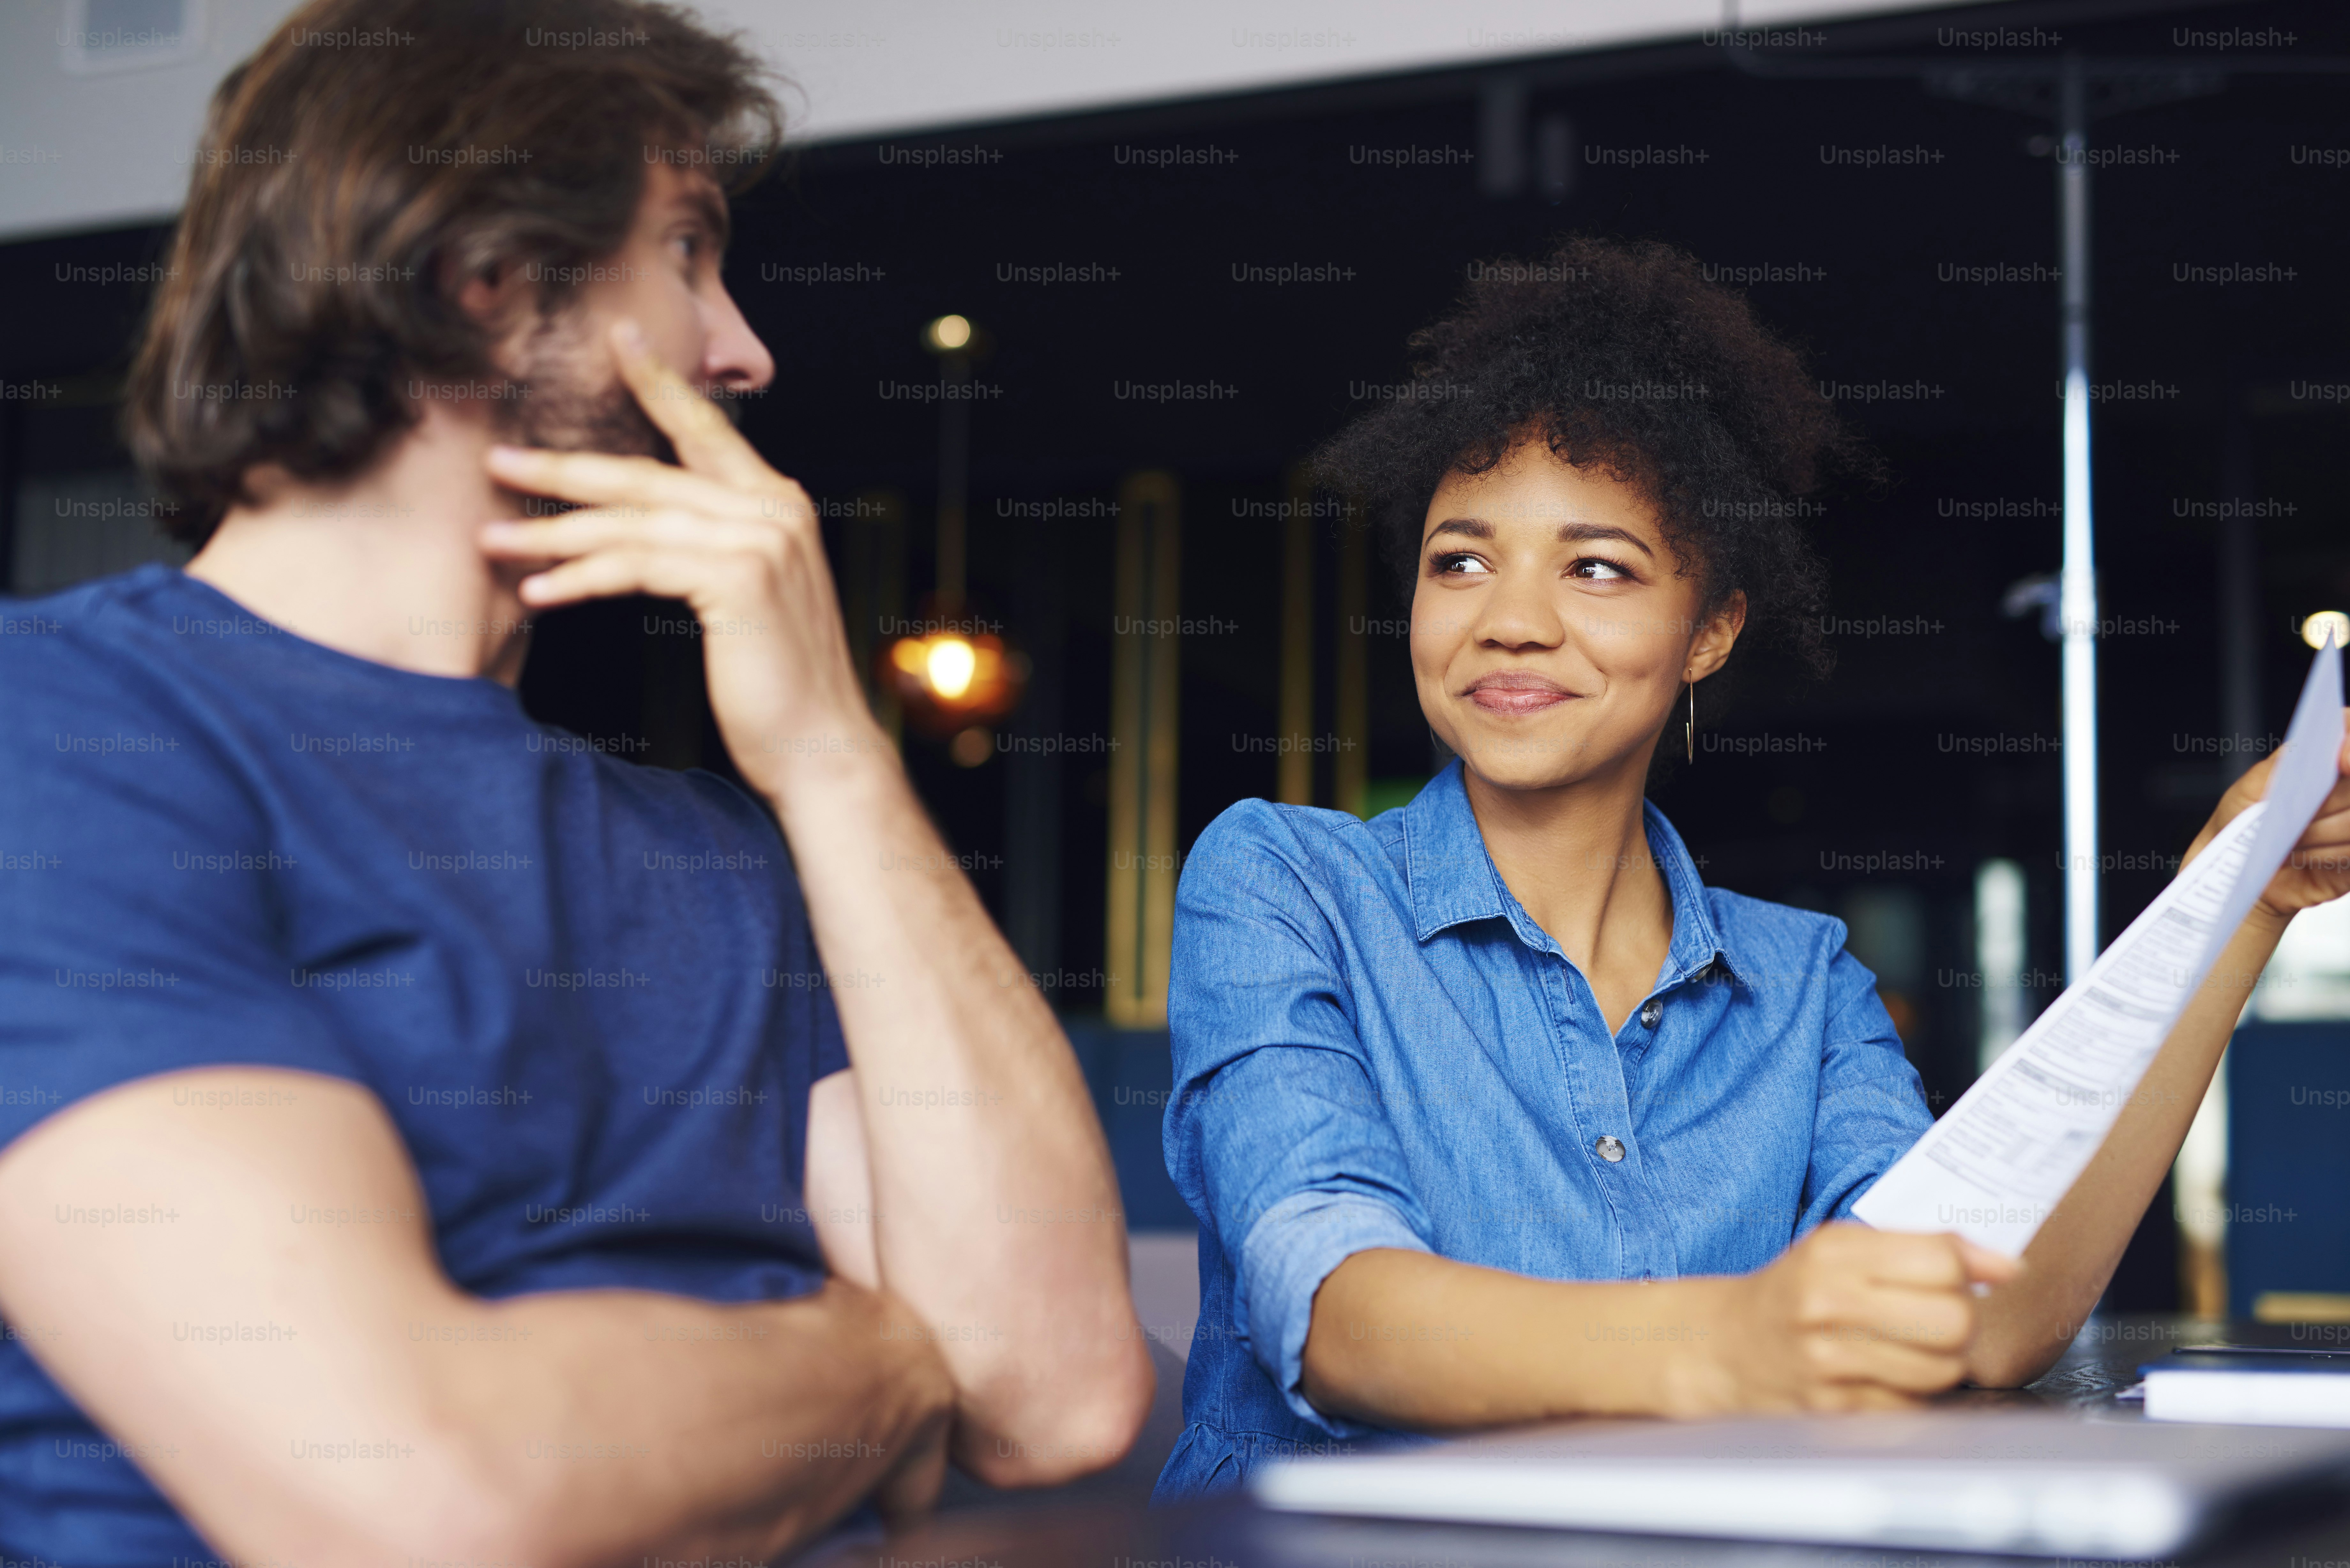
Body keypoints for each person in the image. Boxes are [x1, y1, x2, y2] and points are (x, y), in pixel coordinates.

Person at [0, 2, 1152, 1563]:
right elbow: (421, 1497)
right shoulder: (64, 731)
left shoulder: (722, 848)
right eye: (686, 253)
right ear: (487, 286)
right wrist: (878, 1361)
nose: (744, 348)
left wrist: (832, 757)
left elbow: (1054, 1389)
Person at [1153, 236, 2350, 1500]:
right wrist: (1741, 1339)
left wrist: (2241, 897)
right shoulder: (1281, 881)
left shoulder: (1802, 980)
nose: (1509, 616)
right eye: (1460, 559)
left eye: (1596, 567)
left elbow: (1978, 1317)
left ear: (1710, 630)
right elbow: (1342, 1321)